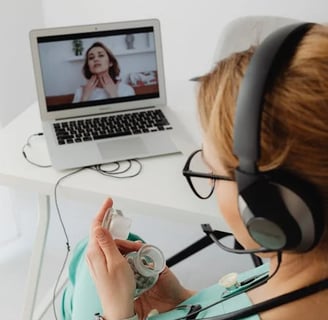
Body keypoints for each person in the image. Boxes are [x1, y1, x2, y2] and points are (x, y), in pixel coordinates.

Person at [61, 23, 328, 320]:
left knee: (86, 262)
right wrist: (185, 299)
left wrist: (115, 313)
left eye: (212, 172)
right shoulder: (297, 269)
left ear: (272, 207)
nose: (211, 185)